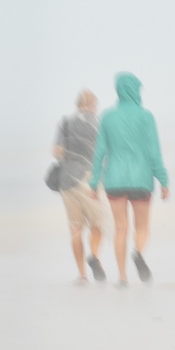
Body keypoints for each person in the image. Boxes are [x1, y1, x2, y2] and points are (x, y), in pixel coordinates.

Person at [89, 72, 169, 287]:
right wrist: (164, 181)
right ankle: (139, 253)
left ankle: (122, 277)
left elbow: (100, 152)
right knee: (142, 227)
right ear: (135, 90)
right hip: (141, 179)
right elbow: (154, 152)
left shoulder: (107, 116)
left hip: (114, 179)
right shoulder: (146, 117)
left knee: (120, 228)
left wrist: (94, 182)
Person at [53, 89, 107, 284]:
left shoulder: (65, 122)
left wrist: (69, 154)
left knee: (75, 229)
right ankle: (93, 255)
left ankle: (82, 275)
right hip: (90, 180)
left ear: (77, 104)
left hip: (67, 181)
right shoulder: (98, 123)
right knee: (98, 222)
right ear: (94, 105)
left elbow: (56, 151)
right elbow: (104, 155)